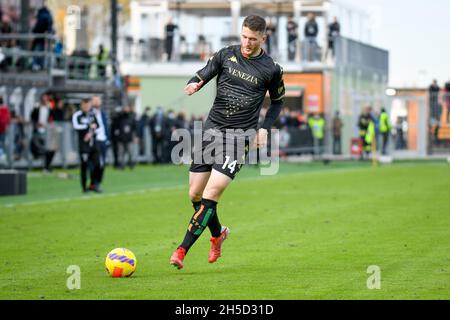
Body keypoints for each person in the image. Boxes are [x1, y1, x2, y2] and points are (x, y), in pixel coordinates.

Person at [169, 15, 285, 269]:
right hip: (211, 131)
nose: (247, 43)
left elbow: (277, 101)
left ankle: (181, 250)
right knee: (195, 193)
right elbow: (203, 74)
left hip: (238, 137)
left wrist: (265, 129)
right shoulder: (225, 55)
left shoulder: (271, 68)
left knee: (211, 194)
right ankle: (218, 233)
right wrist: (193, 84)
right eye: (244, 37)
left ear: (263, 38)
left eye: (253, 39)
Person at [72, 99, 100, 193]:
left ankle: (93, 185)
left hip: (93, 144)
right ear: (81, 105)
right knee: (85, 166)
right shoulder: (77, 115)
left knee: (97, 165)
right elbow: (76, 126)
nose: (86, 107)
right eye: (84, 105)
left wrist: (91, 133)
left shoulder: (92, 115)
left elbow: (97, 126)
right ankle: (84, 187)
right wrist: (88, 127)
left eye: (88, 105)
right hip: (84, 145)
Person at [91, 95, 109, 191]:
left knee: (102, 163)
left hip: (103, 141)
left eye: (98, 101)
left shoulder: (103, 113)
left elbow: (105, 126)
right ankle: (94, 183)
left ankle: (97, 182)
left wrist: (107, 139)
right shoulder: (90, 114)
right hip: (95, 141)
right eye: (95, 101)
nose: (97, 103)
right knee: (97, 163)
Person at [117, 105, 137, 169]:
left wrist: (135, 137)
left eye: (127, 108)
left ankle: (131, 164)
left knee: (130, 152)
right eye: (125, 108)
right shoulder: (120, 117)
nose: (126, 110)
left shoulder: (131, 117)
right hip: (121, 138)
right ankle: (121, 165)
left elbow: (135, 128)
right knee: (121, 153)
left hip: (129, 138)